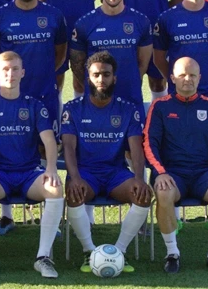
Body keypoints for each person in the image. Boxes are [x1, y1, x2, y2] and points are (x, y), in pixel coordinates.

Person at [0, 0, 67, 234]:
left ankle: (48, 217)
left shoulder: (54, 15)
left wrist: (42, 76)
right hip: (9, 96)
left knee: (46, 148)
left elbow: (60, 53)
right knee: (5, 148)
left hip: (44, 95)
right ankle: (6, 216)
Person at [0, 51, 64, 279]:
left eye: (14, 69)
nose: (10, 74)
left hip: (28, 174)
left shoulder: (34, 105)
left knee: (54, 187)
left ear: (22, 72)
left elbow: (49, 140)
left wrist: (51, 168)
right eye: (5, 69)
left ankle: (43, 257)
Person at [144, 57, 208, 274]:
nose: (188, 79)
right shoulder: (160, 106)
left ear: (199, 78)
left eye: (193, 75)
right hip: (172, 174)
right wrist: (159, 172)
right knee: (164, 193)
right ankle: (172, 253)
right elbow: (149, 142)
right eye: (183, 75)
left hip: (205, 174)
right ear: (173, 78)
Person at [62, 51, 151, 273]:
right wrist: (73, 178)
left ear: (115, 78)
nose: (101, 79)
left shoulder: (127, 109)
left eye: (106, 74)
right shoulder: (72, 108)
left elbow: (136, 148)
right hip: (85, 174)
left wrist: (139, 178)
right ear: (88, 78)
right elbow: (69, 148)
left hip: (116, 174)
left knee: (143, 195)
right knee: (74, 194)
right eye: (96, 75)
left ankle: (119, 251)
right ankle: (89, 252)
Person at [70, 0, 152, 114]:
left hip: (130, 98)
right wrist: (96, 87)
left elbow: (142, 63)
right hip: (96, 101)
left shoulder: (141, 21)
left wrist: (130, 81)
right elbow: (77, 64)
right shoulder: (84, 23)